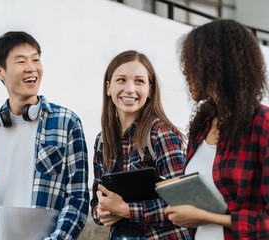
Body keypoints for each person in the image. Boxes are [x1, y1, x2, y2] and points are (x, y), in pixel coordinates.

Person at [0, 31, 89, 240]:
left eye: (36, 59)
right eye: (21, 61)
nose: (32, 67)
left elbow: (78, 199)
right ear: (0, 72)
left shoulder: (67, 122)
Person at [165, 19, 269, 239]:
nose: (185, 71)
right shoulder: (203, 125)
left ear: (216, 65)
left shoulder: (263, 124)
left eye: (193, 61)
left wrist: (206, 216)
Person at [90, 50, 190, 239]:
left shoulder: (162, 134)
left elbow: (182, 203)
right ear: (108, 87)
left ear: (150, 90)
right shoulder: (102, 141)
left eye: (139, 81)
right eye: (121, 80)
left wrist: (126, 209)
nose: (129, 89)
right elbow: (97, 198)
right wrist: (100, 212)